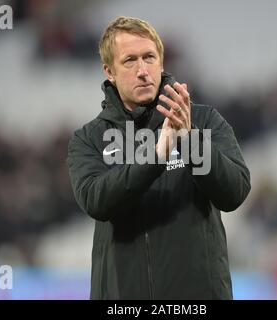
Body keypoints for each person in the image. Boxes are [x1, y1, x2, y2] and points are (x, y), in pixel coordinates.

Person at [67, 16, 251, 299]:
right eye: (129, 60)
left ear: (161, 63)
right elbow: (97, 201)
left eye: (149, 57)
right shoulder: (89, 138)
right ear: (109, 71)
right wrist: (157, 155)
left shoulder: (204, 120)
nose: (143, 70)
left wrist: (189, 142)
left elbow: (235, 192)